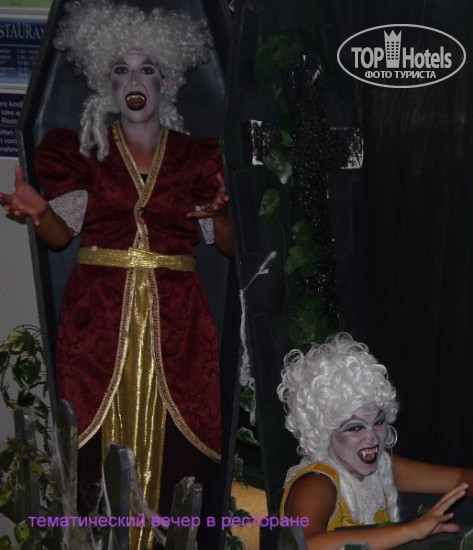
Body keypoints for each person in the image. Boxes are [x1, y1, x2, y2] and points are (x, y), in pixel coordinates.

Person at [0, 1, 232, 547]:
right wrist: (40, 213)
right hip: (99, 319)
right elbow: (60, 236)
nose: (134, 81)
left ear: (165, 81)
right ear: (107, 82)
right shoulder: (84, 152)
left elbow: (226, 246)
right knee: (94, 435)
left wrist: (224, 212)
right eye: (122, 70)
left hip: (176, 321)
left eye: (147, 69)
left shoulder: (198, 158)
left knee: (178, 442)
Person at [277, 333, 473, 550]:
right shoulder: (316, 483)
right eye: (355, 427)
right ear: (324, 431)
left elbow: (462, 479)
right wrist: (412, 530)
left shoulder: (383, 466)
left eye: (378, 423)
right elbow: (305, 544)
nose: (373, 437)